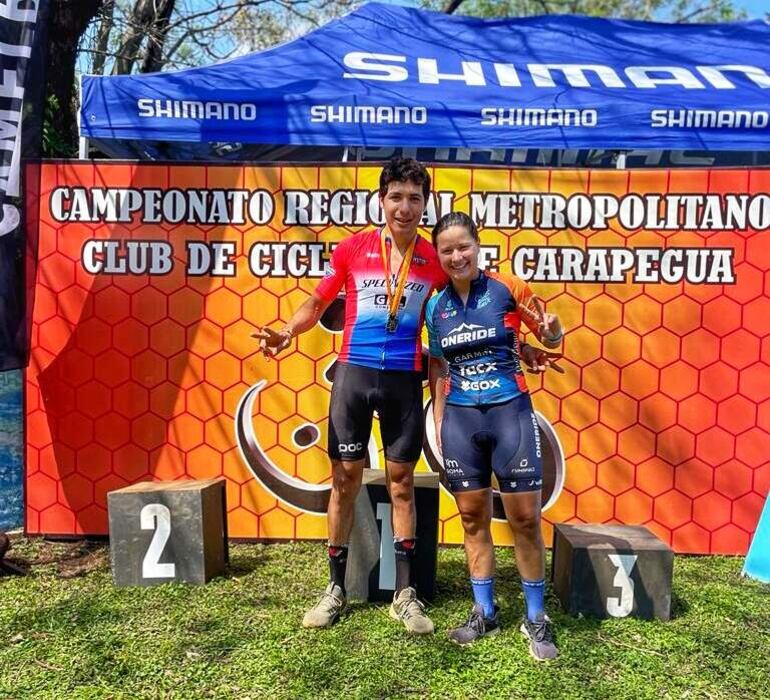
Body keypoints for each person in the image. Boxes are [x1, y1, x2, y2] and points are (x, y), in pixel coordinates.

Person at [255, 158, 447, 634]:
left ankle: (405, 595)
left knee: (402, 483)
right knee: (344, 480)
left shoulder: (433, 262)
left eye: (415, 198)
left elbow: (453, 324)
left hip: (405, 378)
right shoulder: (354, 249)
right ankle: (335, 588)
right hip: (353, 377)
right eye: (396, 196)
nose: (405, 207)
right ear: (381, 200)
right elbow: (318, 301)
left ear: (426, 204)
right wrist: (287, 332)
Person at [426, 211, 563, 660]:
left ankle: (536, 618)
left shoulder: (508, 289)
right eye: (446, 249)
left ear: (477, 245)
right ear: (439, 254)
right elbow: (439, 369)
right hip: (462, 423)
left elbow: (550, 335)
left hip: (511, 416)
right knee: (472, 519)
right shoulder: (435, 305)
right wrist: (440, 426)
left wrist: (551, 332)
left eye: (463, 246)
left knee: (525, 519)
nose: (456, 255)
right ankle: (484, 610)